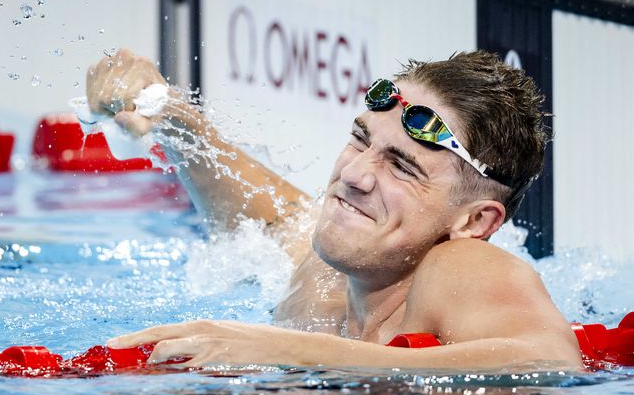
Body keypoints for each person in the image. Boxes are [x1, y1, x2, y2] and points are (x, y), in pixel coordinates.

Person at [87, 49, 583, 371]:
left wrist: (283, 349)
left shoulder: (460, 266)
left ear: (474, 222)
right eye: (360, 140)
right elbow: (270, 220)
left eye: (402, 168)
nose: (354, 175)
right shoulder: (331, 272)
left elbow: (552, 359)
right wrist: (172, 117)